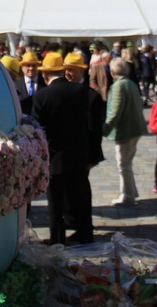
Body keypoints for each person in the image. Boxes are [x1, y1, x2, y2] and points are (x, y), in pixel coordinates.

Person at [31, 52, 93, 245]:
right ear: (62, 71)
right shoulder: (82, 92)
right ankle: (85, 234)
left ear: (45, 74)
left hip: (54, 156)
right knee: (80, 196)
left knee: (55, 201)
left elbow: (38, 130)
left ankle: (58, 238)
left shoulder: (41, 96)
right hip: (78, 152)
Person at [103, 57, 147, 206]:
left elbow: (114, 112)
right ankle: (131, 191)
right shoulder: (130, 83)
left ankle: (127, 195)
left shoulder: (119, 86)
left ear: (113, 71)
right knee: (127, 162)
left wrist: (104, 130)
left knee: (123, 164)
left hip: (126, 130)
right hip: (135, 128)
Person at [14, 51, 44, 115]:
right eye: (28, 65)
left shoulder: (45, 83)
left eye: (34, 65)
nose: (31, 68)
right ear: (22, 67)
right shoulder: (16, 85)